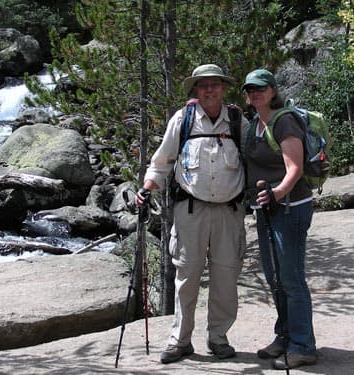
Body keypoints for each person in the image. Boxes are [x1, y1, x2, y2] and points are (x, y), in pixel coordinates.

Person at [135, 64, 247, 364]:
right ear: (196, 90)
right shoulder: (182, 120)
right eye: (203, 85)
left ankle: (218, 338)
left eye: (214, 84)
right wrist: (146, 189)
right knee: (187, 277)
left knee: (226, 277)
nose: (209, 89)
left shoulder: (237, 121)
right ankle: (180, 340)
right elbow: (162, 161)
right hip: (190, 211)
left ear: (223, 87)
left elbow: (256, 159)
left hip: (229, 212)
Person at [242, 68, 317, 370]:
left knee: (291, 278)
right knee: (275, 277)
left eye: (260, 88)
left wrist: (278, 192)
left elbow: (294, 167)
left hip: (291, 208)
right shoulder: (254, 124)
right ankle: (284, 336)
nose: (255, 93)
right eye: (250, 89)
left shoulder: (284, 120)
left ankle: (303, 345)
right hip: (268, 209)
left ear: (273, 90)